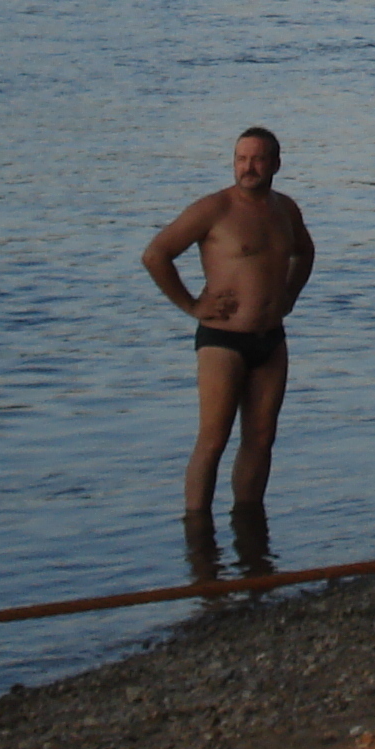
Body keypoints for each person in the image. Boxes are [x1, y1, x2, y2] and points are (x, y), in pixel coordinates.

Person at [143, 126, 315, 518]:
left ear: (275, 163)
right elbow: (156, 255)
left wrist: (290, 295)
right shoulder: (214, 209)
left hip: (271, 339)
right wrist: (191, 306)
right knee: (213, 440)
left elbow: (305, 252)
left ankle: (250, 525)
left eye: (256, 159)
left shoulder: (285, 209)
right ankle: (197, 531)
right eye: (241, 158)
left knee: (260, 438)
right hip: (223, 341)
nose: (248, 167)